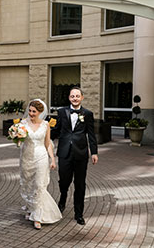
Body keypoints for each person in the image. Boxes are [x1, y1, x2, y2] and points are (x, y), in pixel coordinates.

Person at [51, 87, 98, 225]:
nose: (75, 98)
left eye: (77, 96)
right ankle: (62, 200)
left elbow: (91, 134)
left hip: (81, 154)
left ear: (82, 97)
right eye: (72, 96)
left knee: (80, 184)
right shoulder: (61, 112)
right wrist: (44, 139)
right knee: (64, 181)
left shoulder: (88, 114)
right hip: (64, 152)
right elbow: (56, 130)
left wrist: (94, 152)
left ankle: (79, 214)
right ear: (69, 98)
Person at [19, 99, 62, 230]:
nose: (31, 114)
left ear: (40, 112)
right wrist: (16, 138)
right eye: (30, 111)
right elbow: (19, 142)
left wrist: (52, 159)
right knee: (27, 184)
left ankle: (37, 217)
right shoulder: (22, 124)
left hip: (41, 156)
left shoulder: (45, 125)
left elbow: (47, 143)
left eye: (34, 112)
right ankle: (30, 207)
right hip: (27, 156)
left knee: (39, 184)